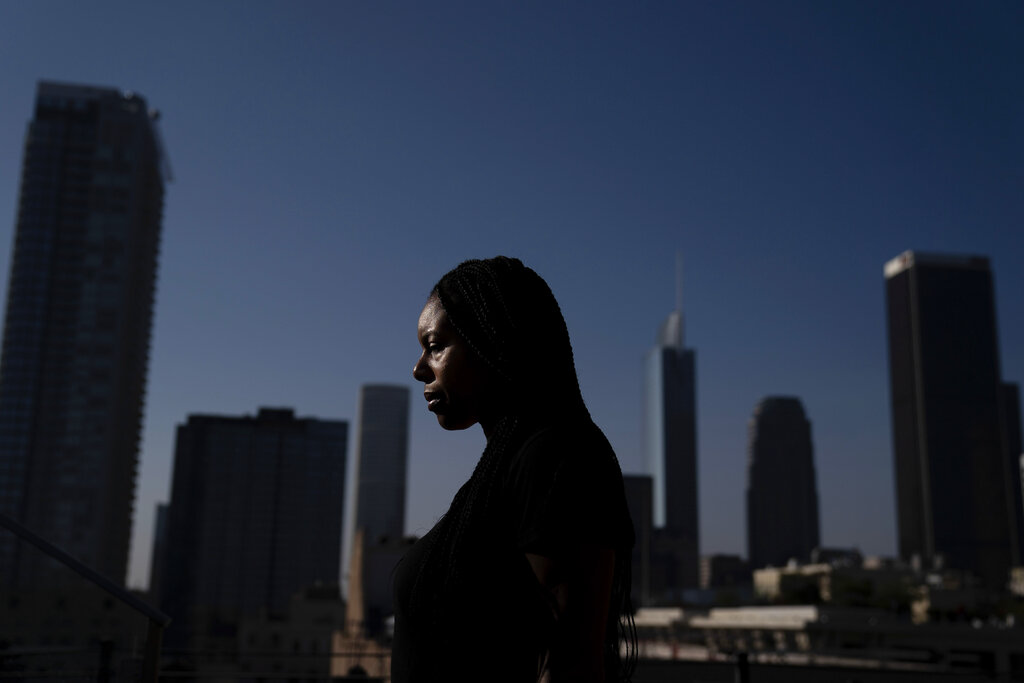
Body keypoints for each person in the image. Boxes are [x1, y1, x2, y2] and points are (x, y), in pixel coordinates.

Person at [392, 256, 636, 682]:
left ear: (491, 342)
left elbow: (570, 665)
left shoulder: (558, 457)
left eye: (435, 346)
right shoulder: (502, 472)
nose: (418, 369)